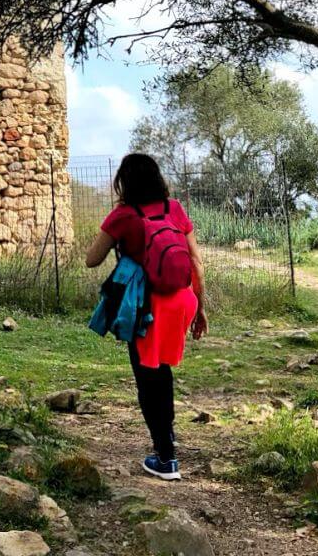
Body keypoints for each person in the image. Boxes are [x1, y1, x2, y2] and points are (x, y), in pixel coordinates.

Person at [86, 153, 208, 481]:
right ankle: (167, 436)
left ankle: (165, 457)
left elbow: (91, 259)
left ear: (123, 182)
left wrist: (120, 245)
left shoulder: (123, 215)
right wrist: (202, 308)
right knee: (162, 368)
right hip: (182, 300)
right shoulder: (175, 209)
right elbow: (196, 262)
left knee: (146, 375)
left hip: (146, 304)